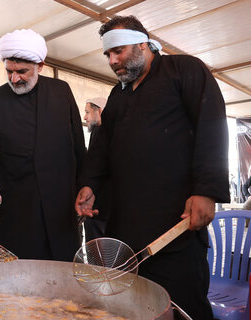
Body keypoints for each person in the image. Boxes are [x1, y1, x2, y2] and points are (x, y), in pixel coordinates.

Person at [75, 16, 229, 319]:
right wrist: (90, 185)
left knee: (183, 307)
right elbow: (101, 147)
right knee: (132, 309)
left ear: (143, 42)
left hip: (175, 227)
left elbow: (211, 124)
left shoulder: (183, 70)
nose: (113, 60)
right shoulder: (118, 96)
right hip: (126, 233)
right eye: (108, 54)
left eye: (118, 50)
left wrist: (207, 190)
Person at [0, 29, 85, 262]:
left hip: (62, 210)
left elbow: (79, 149)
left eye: (22, 71)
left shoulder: (62, 93)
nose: (14, 79)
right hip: (18, 213)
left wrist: (85, 187)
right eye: (9, 71)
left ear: (40, 65)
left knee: (64, 283)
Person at [82, 97, 108, 242]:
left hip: (101, 209)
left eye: (87, 112)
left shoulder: (102, 133)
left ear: (100, 111)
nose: (85, 117)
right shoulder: (96, 133)